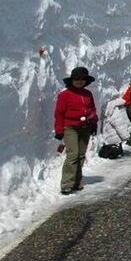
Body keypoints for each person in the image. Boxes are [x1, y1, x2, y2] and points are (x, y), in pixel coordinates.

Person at [54, 66, 98, 195]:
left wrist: (94, 123)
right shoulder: (65, 95)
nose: (79, 81)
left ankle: (77, 181)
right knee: (73, 155)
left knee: (81, 155)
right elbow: (59, 113)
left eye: (82, 79)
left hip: (86, 127)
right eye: (77, 79)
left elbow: (92, 110)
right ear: (72, 80)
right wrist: (59, 130)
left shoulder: (88, 94)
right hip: (70, 127)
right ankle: (67, 184)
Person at [98, 93, 131, 157]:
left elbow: (118, 124)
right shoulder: (115, 107)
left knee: (108, 151)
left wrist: (125, 136)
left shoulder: (112, 110)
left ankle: (115, 152)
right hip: (114, 135)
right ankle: (117, 151)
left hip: (113, 135)